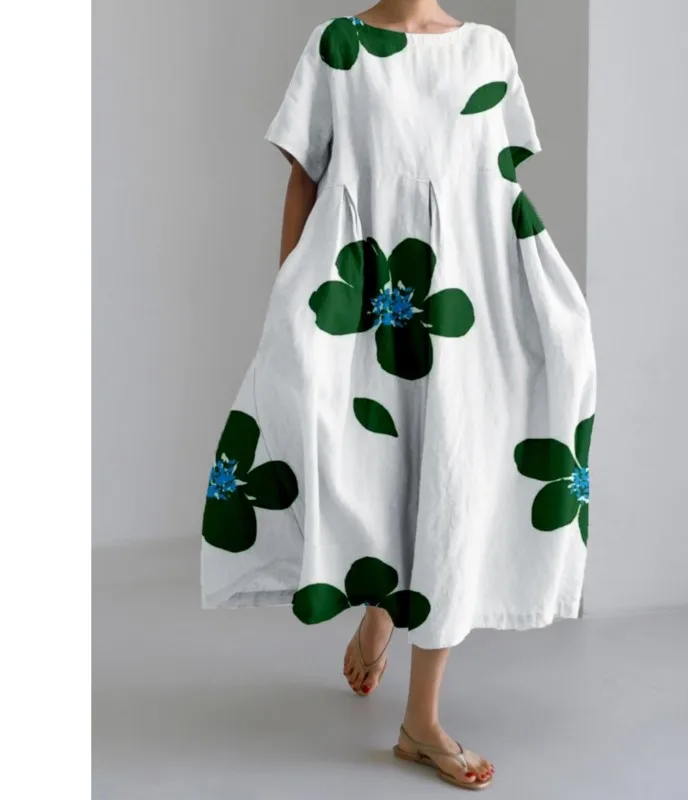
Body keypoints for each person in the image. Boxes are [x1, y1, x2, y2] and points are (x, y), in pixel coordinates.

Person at [201, 0, 597, 790]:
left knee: (452, 479)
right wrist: (290, 300)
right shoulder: (337, 47)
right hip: (364, 297)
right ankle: (381, 604)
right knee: (369, 459)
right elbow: (305, 177)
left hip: (465, 298)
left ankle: (422, 719)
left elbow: (497, 190)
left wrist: (541, 306)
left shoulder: (487, 52)